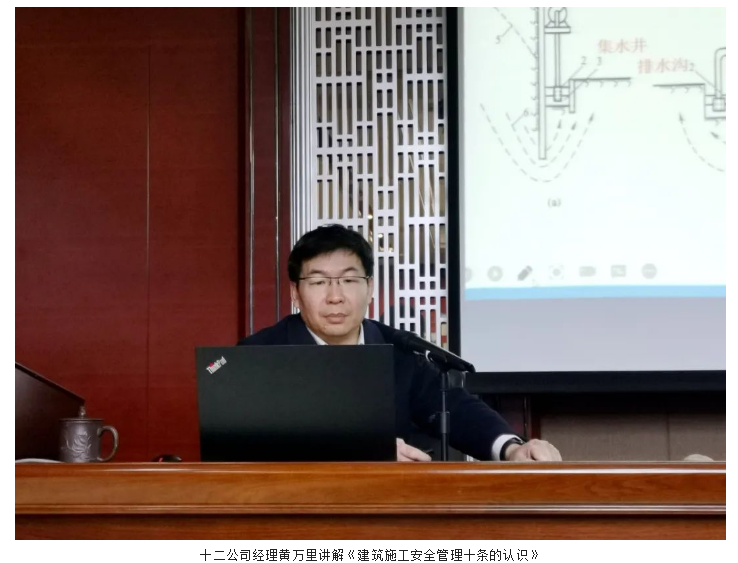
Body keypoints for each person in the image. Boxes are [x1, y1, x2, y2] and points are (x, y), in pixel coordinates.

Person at [238, 224, 561, 462]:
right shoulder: (257, 356)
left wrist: (511, 448)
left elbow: (455, 408)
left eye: (349, 280)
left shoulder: (402, 352)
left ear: (370, 288)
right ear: (295, 293)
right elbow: (247, 442)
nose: (335, 296)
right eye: (319, 282)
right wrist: (364, 451)